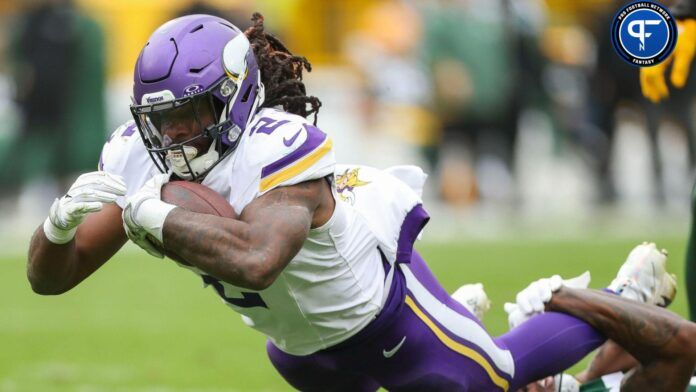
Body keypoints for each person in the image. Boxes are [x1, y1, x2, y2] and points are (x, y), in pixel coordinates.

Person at [27, 13, 696, 391]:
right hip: (298, 348)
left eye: (189, 114)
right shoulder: (139, 154)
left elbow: (257, 259)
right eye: (161, 118)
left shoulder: (280, 146)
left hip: (383, 316)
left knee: (490, 378)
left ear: (231, 96)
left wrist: (152, 214)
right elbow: (51, 280)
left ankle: (610, 300)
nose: (172, 135)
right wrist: (57, 227)